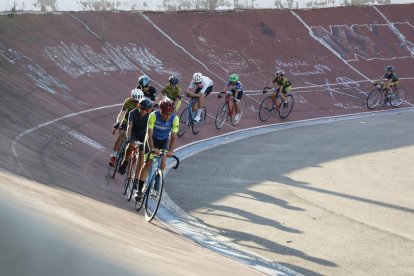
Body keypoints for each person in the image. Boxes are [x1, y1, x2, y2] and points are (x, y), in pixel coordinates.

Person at [134, 97, 179, 201]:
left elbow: (173, 136)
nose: (168, 117)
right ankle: (139, 190)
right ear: (161, 111)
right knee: (148, 163)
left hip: (163, 141)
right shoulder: (153, 115)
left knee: (163, 163)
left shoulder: (175, 119)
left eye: (170, 114)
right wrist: (152, 148)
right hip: (151, 140)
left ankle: (156, 183)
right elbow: (149, 134)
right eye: (165, 114)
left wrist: (171, 151)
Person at [118, 98, 153, 176]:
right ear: (138, 106)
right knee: (131, 145)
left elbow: (151, 130)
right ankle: (125, 161)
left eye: (146, 110)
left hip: (143, 134)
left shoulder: (150, 116)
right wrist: (128, 137)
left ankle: (138, 176)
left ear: (149, 110)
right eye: (143, 109)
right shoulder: (132, 113)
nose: (144, 111)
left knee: (142, 153)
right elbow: (130, 125)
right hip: (133, 132)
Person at [110, 88, 144, 167]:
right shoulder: (128, 102)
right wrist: (118, 123)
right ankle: (114, 156)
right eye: (135, 101)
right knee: (121, 135)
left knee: (135, 141)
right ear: (132, 98)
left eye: (138, 102)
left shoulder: (143, 104)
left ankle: (131, 156)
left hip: (137, 122)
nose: (136, 103)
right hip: (127, 119)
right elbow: (122, 113)